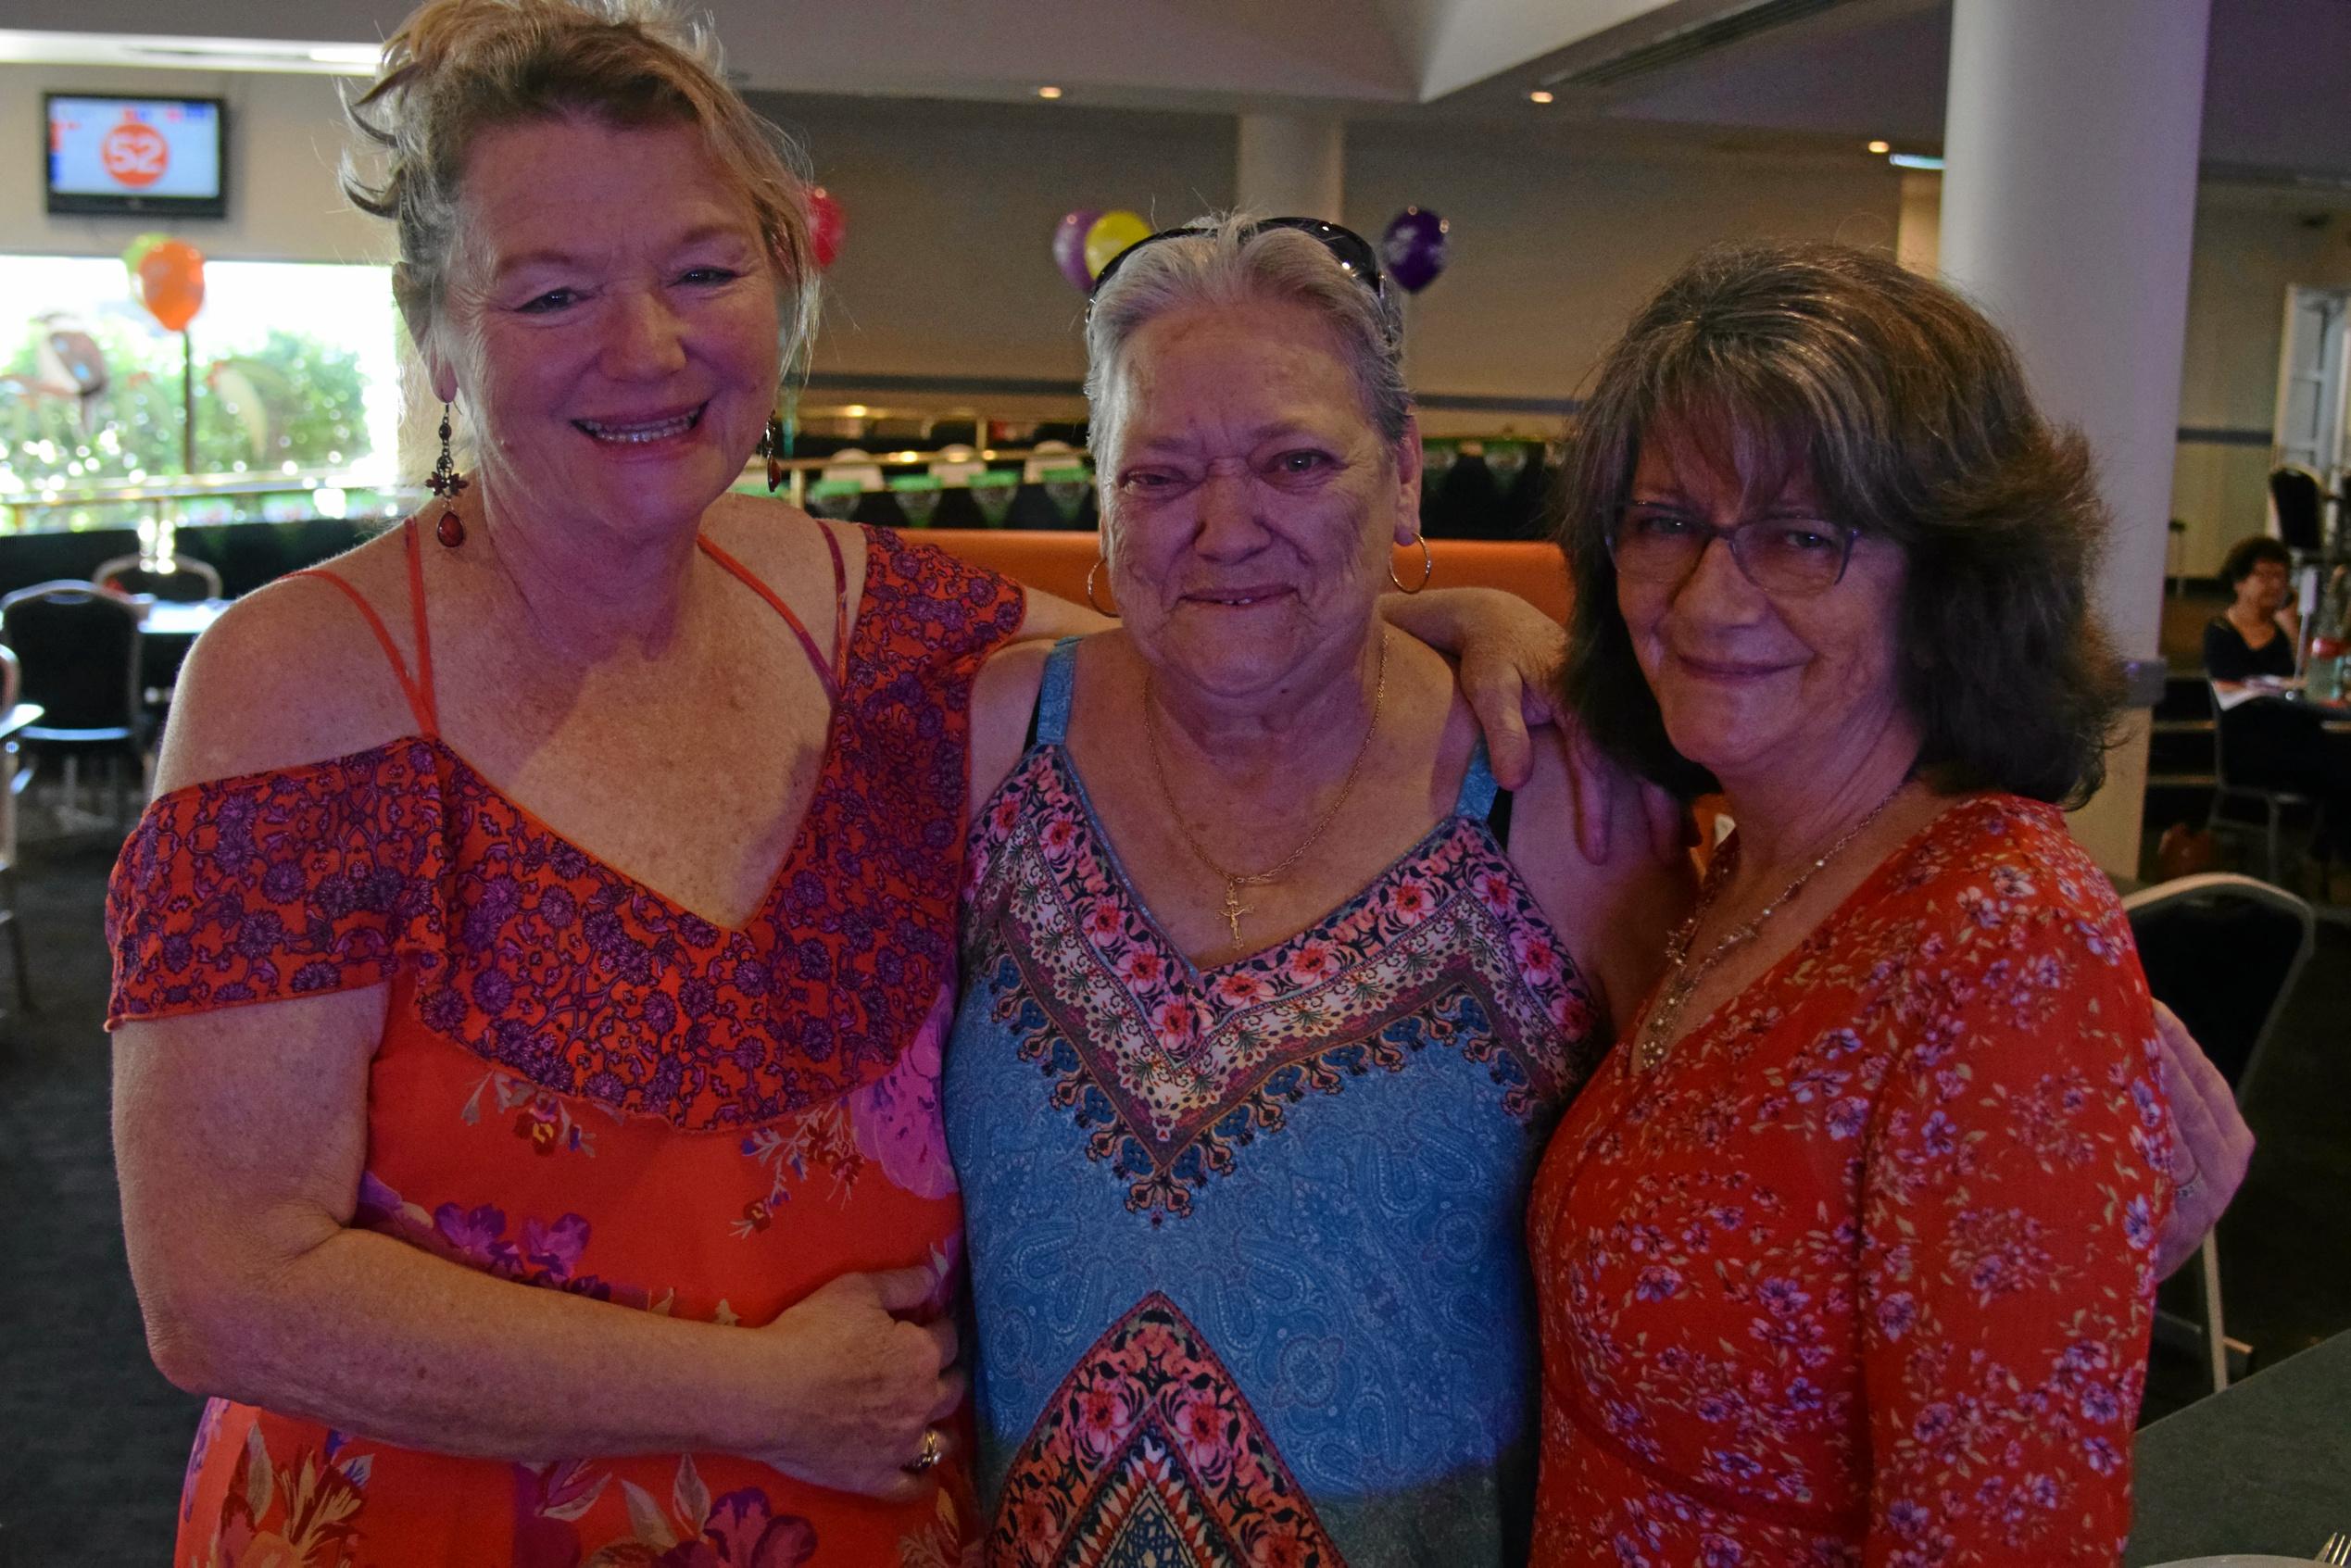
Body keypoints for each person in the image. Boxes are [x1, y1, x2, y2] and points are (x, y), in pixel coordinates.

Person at [102, 9, 1565, 1562]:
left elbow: (1203, 642)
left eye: (703, 272)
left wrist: (1444, 618)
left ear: (780, 294)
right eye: (551, 293)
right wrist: (747, 1389)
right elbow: (222, 1286)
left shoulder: (884, 622)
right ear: (440, 340)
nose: (648, 345)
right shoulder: (301, 687)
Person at [944, 216, 1690, 1567]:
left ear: (1400, 477)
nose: (1225, 525)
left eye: (1294, 462)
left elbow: (1723, 1204)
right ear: (1103, 508)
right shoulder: (1000, 742)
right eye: (1160, 474)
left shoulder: (1558, 797)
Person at [1528, 240, 2188, 1564]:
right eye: (1665, 522)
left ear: (1948, 583)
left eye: (1799, 535)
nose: (1711, 595)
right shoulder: (1734, 870)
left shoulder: (2001, 941)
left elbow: (2005, 1536)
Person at [2204, 533, 2299, 682]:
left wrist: (2291, 627)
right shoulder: (2221, 631)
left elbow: (2309, 675)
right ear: (2239, 582)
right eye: (2264, 575)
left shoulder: (2285, 628)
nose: (2275, 585)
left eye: (2280, 576)